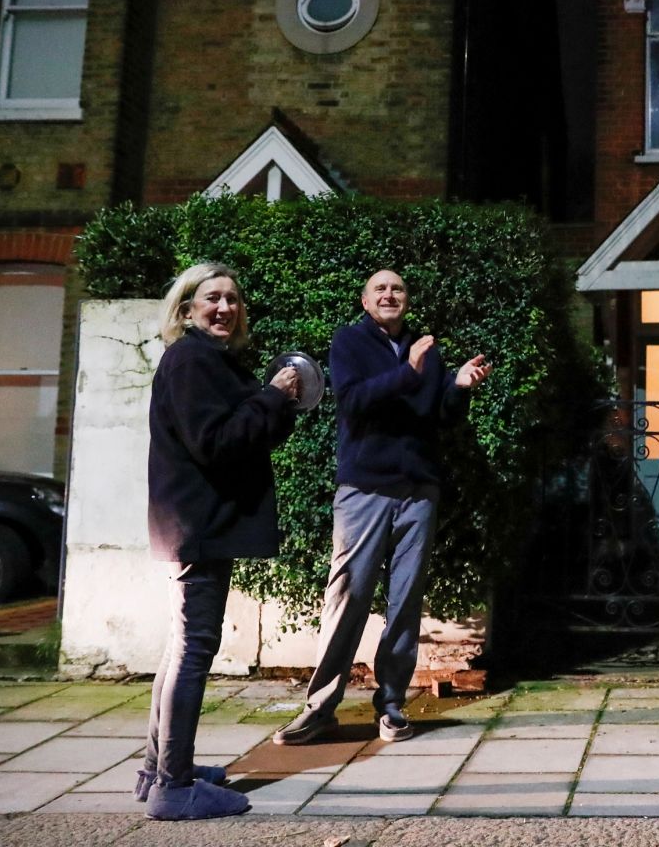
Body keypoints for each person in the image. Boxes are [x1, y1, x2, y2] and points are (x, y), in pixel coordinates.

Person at [273, 269, 491, 746]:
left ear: (406, 299)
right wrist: (407, 372)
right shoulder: (349, 342)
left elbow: (441, 419)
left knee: (406, 601)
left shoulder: (425, 348)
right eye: (381, 289)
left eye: (398, 289)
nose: (390, 294)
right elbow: (353, 402)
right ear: (365, 301)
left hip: (419, 491)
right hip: (365, 489)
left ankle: (391, 706)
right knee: (347, 597)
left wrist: (458, 387)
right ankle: (319, 708)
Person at [142, 262, 300, 820]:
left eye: (233, 298)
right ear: (186, 309)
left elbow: (247, 432)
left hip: (197, 524)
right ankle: (173, 788)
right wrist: (271, 397)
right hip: (198, 527)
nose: (226, 307)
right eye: (213, 298)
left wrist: (278, 401)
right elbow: (216, 443)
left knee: (181, 647)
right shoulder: (191, 360)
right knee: (193, 650)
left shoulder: (210, 360)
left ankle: (158, 769)